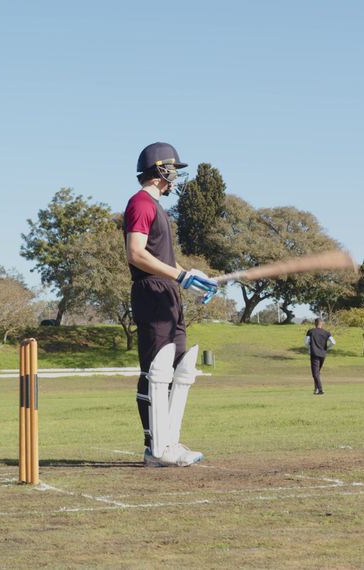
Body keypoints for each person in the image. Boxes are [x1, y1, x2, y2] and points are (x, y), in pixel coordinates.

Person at [123, 142, 218, 467]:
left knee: (178, 367)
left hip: (168, 292)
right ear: (160, 170)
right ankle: (154, 448)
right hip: (151, 291)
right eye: (173, 169)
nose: (176, 176)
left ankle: (169, 443)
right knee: (156, 370)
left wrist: (190, 276)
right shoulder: (140, 203)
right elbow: (136, 253)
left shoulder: (157, 207)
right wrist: (180, 276)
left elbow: (162, 258)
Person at [305, 318, 335, 395]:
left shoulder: (310, 331)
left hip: (314, 354)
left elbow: (306, 342)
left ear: (315, 323)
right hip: (323, 354)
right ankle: (316, 389)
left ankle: (320, 389)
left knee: (315, 373)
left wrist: (309, 348)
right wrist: (327, 348)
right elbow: (333, 342)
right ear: (322, 323)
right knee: (317, 373)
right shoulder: (326, 332)